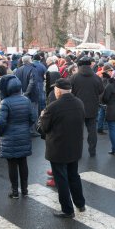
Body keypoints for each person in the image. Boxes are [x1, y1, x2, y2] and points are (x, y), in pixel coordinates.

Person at [39, 79, 86, 218]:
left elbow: (44, 128)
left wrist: (42, 117)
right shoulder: (79, 103)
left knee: (61, 179)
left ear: (58, 90)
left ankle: (67, 209)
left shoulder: (53, 107)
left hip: (58, 148)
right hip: (75, 146)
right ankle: (80, 203)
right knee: (74, 175)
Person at [0, 75, 36, 198]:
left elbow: (0, 122)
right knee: (23, 162)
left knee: (12, 164)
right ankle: (25, 190)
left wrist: (0, 133)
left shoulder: (5, 102)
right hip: (24, 134)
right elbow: (33, 118)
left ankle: (14, 192)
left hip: (9, 136)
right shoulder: (26, 100)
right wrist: (25, 127)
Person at [69, 57, 104, 157]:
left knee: (77, 131)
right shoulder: (96, 77)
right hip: (92, 107)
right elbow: (101, 90)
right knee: (92, 131)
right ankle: (92, 151)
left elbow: (70, 91)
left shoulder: (74, 77)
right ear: (90, 65)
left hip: (77, 108)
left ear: (79, 65)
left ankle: (77, 151)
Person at [15, 55, 40, 137]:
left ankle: (26, 130)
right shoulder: (33, 69)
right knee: (33, 113)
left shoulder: (18, 69)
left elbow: (16, 82)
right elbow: (32, 82)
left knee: (24, 113)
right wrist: (26, 93)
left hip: (21, 94)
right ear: (29, 60)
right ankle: (32, 130)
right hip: (31, 95)